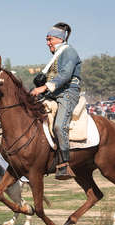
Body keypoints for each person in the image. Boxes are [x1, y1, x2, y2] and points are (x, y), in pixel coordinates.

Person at [30, 22, 81, 180]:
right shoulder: (57, 55)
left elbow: (65, 75)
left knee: (59, 126)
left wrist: (43, 88)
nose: (47, 43)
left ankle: (64, 164)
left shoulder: (70, 52)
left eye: (49, 39)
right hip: (54, 93)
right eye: (47, 39)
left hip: (68, 93)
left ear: (59, 39)